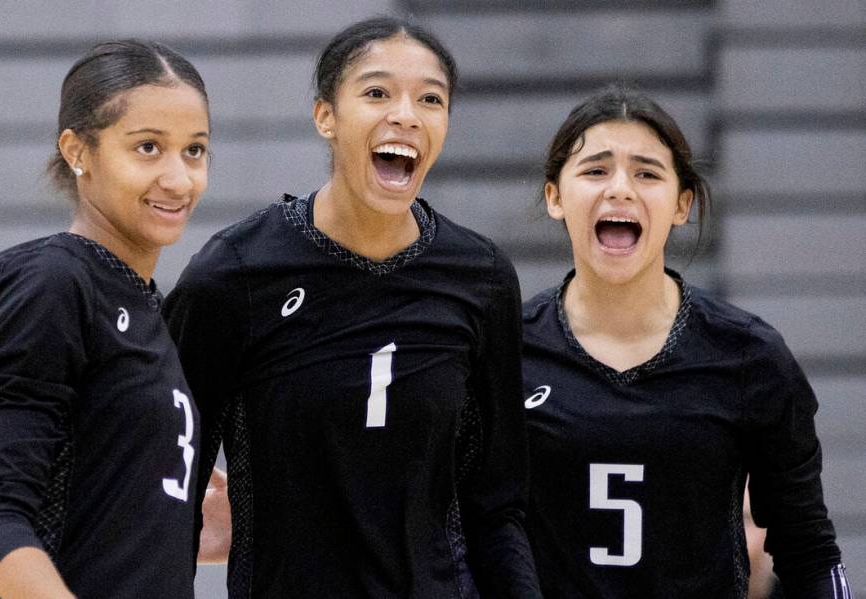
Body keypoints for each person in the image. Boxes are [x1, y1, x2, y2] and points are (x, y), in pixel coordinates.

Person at [164, 16, 541, 598]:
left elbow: (497, 504)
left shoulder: (481, 278)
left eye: (431, 99)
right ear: (326, 117)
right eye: (377, 92)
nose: (407, 115)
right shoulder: (234, 275)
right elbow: (171, 490)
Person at [521, 84, 852, 598]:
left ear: (682, 204)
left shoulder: (748, 355)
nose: (620, 189)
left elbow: (808, 549)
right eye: (595, 170)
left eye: (647, 173)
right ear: (555, 197)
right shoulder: (505, 348)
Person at [0, 39, 210, 599]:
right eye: (148, 147)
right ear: (78, 151)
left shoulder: (144, 303)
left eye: (194, 151)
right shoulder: (52, 282)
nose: (178, 178)